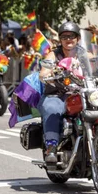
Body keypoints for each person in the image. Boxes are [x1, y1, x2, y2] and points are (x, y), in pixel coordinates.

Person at [38, 22, 90, 165]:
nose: (68, 39)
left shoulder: (84, 53)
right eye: (64, 36)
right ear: (60, 39)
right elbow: (44, 71)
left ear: (78, 38)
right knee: (52, 109)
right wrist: (47, 74)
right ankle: (51, 147)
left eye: (72, 36)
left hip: (81, 93)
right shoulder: (54, 54)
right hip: (57, 93)